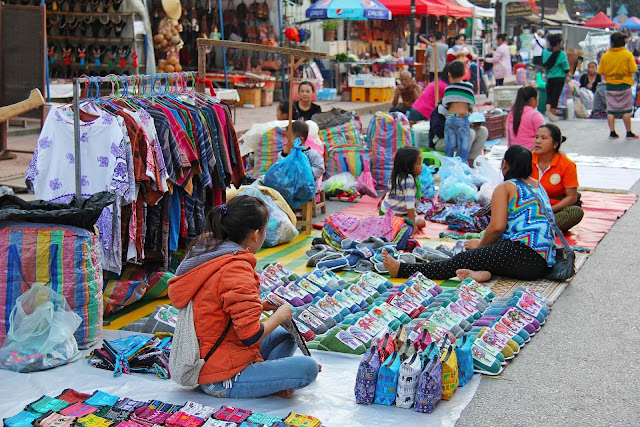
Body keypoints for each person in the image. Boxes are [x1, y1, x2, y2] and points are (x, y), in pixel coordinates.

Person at [168, 196, 319, 399]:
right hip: (222, 378)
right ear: (256, 235)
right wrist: (281, 315)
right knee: (307, 368)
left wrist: (262, 305)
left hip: (215, 357)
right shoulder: (235, 269)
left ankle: (268, 380)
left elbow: (220, 308)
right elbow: (250, 335)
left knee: (286, 336)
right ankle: (267, 382)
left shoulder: (211, 253)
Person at [382, 145, 556, 282]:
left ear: (505, 165)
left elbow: (497, 227)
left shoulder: (505, 187)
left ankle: (402, 269)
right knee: (485, 255)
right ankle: (482, 273)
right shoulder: (536, 184)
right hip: (543, 261)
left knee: (462, 259)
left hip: (524, 256)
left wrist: (481, 245)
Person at [531, 124, 584, 232]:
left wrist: (548, 210)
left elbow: (571, 197)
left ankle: (540, 229)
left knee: (575, 212)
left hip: (554, 209)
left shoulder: (567, 164)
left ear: (555, 144)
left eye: (543, 138)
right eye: (536, 137)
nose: (538, 141)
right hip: (529, 208)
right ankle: (541, 229)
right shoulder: (527, 160)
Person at [598, 31, 638, 139]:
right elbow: (634, 69)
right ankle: (628, 132)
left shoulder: (605, 56)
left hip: (610, 85)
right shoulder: (628, 55)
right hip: (625, 85)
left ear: (612, 43)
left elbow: (600, 71)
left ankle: (612, 132)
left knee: (611, 110)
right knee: (626, 110)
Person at [380, 146, 427, 234]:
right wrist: (413, 225)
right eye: (418, 164)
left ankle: (400, 223)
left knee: (419, 222)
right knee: (421, 223)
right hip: (392, 215)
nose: (421, 167)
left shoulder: (397, 175)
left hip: (392, 212)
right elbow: (409, 205)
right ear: (408, 166)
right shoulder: (408, 180)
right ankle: (398, 224)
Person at [440, 61, 476, 164]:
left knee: (449, 147)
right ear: (465, 73)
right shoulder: (468, 87)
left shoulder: (448, 88)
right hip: (462, 118)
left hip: (450, 118)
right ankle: (462, 168)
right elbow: (471, 103)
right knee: (463, 147)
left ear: (449, 74)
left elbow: (445, 103)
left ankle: (448, 169)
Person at [542, 33, 570, 122]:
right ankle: (552, 115)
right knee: (555, 97)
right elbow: (565, 66)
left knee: (549, 96)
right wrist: (568, 76)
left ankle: (547, 111)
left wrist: (546, 75)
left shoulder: (545, 52)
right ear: (558, 43)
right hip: (559, 78)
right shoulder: (561, 54)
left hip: (549, 77)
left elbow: (545, 66)